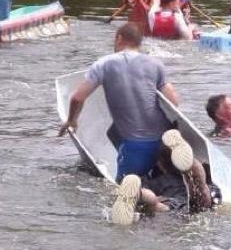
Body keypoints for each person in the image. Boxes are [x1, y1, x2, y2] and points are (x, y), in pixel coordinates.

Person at [58, 23, 179, 183]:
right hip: (165, 141)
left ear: (119, 38)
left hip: (137, 145)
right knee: (113, 131)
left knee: (122, 195)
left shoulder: (104, 64)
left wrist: (72, 120)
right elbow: (173, 103)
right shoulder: (155, 64)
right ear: (139, 42)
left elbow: (77, 98)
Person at [111, 129, 216, 225]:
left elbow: (144, 184)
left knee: (157, 206)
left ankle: (141, 195)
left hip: (167, 197)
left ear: (160, 164)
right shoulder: (208, 172)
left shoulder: (159, 180)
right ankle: (191, 165)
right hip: (191, 193)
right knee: (200, 191)